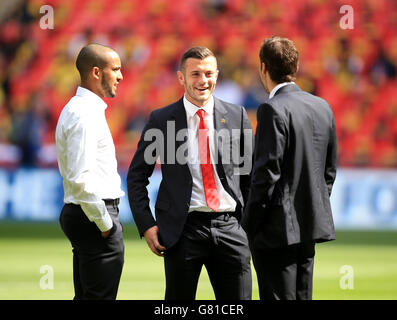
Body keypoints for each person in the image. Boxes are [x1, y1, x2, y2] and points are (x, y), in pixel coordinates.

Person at [127, 46, 253, 300]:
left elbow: (250, 177)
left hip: (230, 227)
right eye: (195, 74)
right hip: (182, 231)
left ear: (217, 75)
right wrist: (147, 225)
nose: (203, 80)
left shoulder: (237, 115)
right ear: (181, 77)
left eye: (209, 73)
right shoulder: (162, 120)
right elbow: (137, 176)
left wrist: (247, 224)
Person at [242, 36, 338, 300]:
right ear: (295, 67)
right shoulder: (322, 106)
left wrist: (248, 224)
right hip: (309, 225)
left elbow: (266, 175)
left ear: (263, 68)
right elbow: (329, 170)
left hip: (276, 230)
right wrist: (311, 205)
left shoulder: (272, 109)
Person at [55, 43, 125, 300]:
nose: (120, 76)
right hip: (94, 217)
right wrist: (105, 223)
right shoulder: (84, 114)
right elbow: (80, 178)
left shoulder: (81, 109)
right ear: (96, 72)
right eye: (115, 69)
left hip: (86, 215)